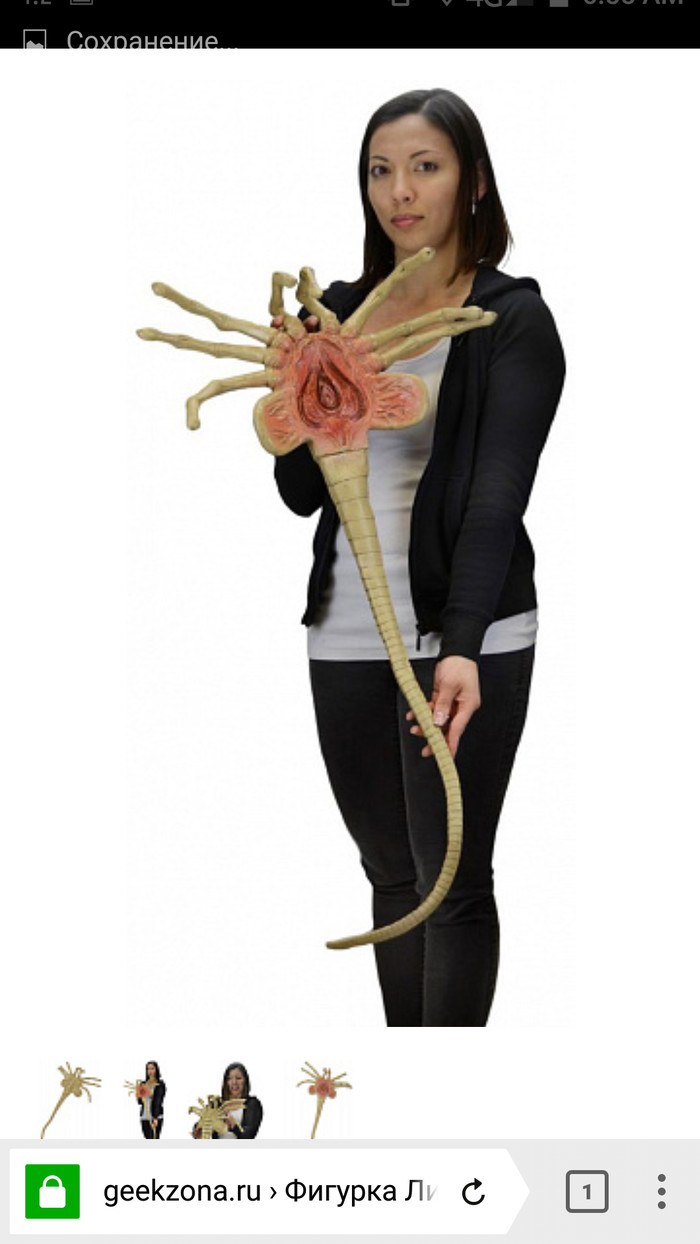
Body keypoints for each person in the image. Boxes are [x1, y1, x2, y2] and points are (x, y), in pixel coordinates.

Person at [274, 88, 565, 1027]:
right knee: (393, 876)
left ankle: (454, 1093)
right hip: (346, 635)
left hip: (466, 636)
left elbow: (495, 499)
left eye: (425, 167)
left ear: (472, 182)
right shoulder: (339, 316)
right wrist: (300, 396)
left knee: (453, 880)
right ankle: (410, 1082)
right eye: (381, 170)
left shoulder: (510, 319)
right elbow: (301, 492)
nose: (400, 191)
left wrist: (462, 645)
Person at [192, 1063, 263, 1139]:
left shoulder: (253, 1104)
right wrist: (199, 1130)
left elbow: (249, 1137)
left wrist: (233, 1126)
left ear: (245, 1081)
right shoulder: (216, 1103)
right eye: (229, 1078)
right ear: (226, 1082)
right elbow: (199, 1128)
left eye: (238, 1078)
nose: (234, 1082)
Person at [138, 1061, 165, 1138]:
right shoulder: (143, 1084)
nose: (150, 1071)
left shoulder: (160, 1084)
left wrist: (155, 1117)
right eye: (148, 1069)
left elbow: (158, 1101)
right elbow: (140, 1102)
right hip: (144, 1116)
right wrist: (139, 1095)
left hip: (155, 1117)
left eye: (152, 1069)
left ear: (156, 1070)